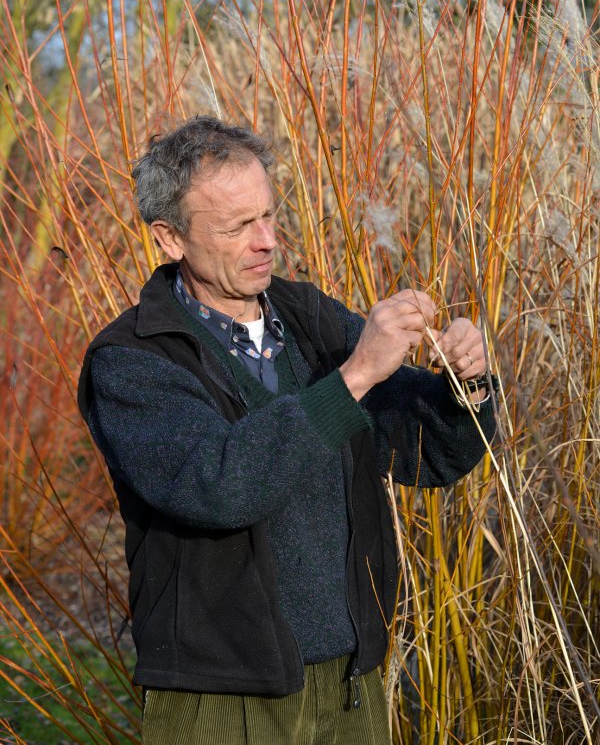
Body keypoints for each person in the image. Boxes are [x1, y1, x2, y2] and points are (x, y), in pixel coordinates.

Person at [78, 116, 497, 745]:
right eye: (238, 226)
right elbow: (220, 484)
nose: (266, 240)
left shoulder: (309, 319)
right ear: (169, 238)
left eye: (269, 216)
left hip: (352, 688)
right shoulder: (133, 359)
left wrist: (467, 388)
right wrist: (354, 377)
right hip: (223, 702)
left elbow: (430, 454)